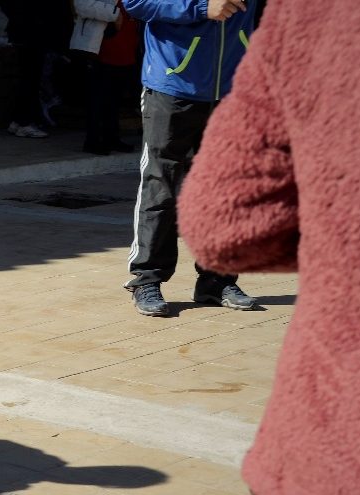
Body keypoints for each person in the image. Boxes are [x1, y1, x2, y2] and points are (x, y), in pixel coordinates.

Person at [177, 1, 360, 495]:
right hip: (175, 77)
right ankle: (147, 279)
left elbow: (222, 222)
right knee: (156, 185)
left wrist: (341, 253)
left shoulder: (320, 11)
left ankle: (209, 289)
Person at [121, 0, 258, 316]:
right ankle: (147, 279)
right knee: (161, 185)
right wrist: (200, 7)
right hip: (173, 84)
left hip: (232, 87)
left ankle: (217, 280)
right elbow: (136, 3)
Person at [70, 0, 140, 155]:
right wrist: (114, 14)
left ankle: (112, 138)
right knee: (98, 97)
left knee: (115, 98)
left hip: (126, 45)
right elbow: (82, 5)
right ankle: (93, 140)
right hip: (103, 46)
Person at [0, 0, 73, 138]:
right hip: (32, 33)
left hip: (28, 31)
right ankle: (24, 122)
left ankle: (19, 120)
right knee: (30, 79)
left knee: (29, 78)